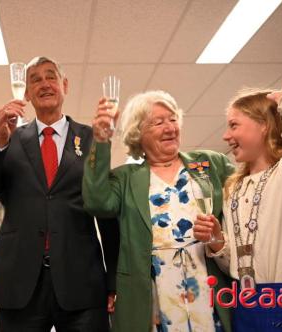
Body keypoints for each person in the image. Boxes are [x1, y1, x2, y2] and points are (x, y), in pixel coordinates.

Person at [0, 56, 119, 331]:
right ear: (26, 93)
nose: (44, 84)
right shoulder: (9, 138)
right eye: (35, 79)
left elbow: (106, 211)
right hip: (18, 281)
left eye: (51, 76)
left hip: (82, 281)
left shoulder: (91, 138)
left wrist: (113, 281)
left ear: (65, 85)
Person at [82, 90, 234, 332]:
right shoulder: (126, 178)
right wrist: (101, 141)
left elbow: (246, 198)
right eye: (158, 122)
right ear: (138, 133)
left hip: (209, 286)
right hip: (153, 296)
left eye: (173, 119)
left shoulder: (209, 163)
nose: (170, 127)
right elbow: (97, 202)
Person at [194, 73, 282, 330]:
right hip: (245, 305)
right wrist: (217, 240)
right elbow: (236, 261)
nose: (225, 136)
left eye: (234, 125)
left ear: (263, 125)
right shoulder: (234, 188)